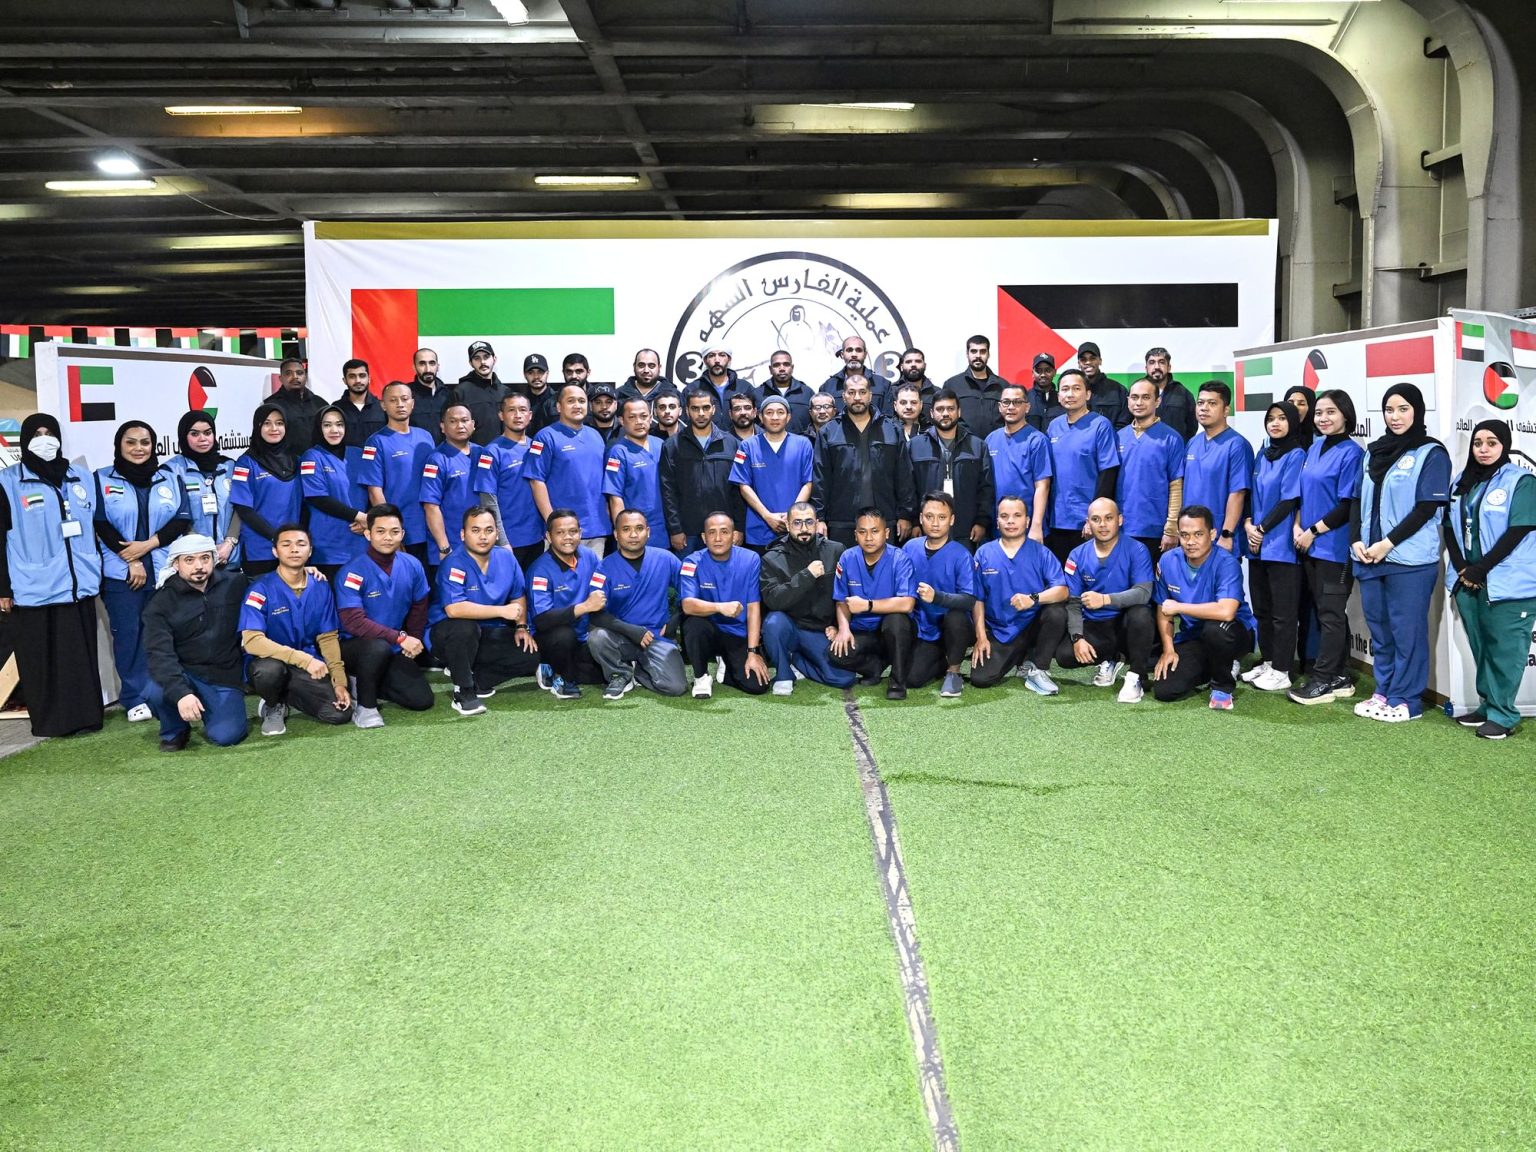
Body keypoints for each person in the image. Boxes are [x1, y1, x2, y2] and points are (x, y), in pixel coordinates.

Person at [1351, 383, 1451, 723]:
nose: (1395, 417)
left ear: (1417, 411)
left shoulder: (1431, 453)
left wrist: (1387, 543)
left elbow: (1425, 509)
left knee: (1407, 633)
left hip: (1409, 561)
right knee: (1380, 632)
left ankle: (1406, 700)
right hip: (1368, 558)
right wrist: (1356, 540)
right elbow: (1357, 500)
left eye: (1403, 409)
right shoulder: (1373, 452)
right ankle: (1385, 691)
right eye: (1389, 410)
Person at [0, 414, 105, 737]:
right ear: (25, 440)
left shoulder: (81, 476)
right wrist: (3, 588)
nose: (44, 440)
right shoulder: (7, 482)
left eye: (50, 433)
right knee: (41, 660)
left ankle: (87, 717)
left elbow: (95, 524)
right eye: (37, 434)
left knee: (79, 658)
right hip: (33, 587)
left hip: (78, 584)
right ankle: (51, 723)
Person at [1444, 420, 1536, 739]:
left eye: (1492, 443)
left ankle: (1504, 714)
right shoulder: (1462, 481)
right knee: (1482, 647)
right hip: (1468, 581)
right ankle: (1488, 706)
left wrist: (1480, 568)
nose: (1483, 449)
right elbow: (1448, 526)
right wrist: (1462, 568)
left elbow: (1519, 530)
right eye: (1478, 443)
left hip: (1508, 584)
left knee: (1505, 652)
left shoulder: (1521, 481)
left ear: (1505, 445)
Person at [95, 419, 191, 722]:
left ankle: (170, 690)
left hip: (163, 570)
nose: (139, 448)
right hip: (122, 574)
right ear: (119, 445)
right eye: (131, 442)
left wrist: (147, 546)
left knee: (166, 633)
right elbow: (100, 524)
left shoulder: (170, 477)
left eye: (145, 442)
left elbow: (181, 519)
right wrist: (132, 560)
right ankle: (134, 696)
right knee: (130, 634)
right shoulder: (101, 479)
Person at [1288, 389, 1364, 705]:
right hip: (1309, 546)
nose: (1323, 418)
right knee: (1324, 613)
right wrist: (1298, 526)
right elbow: (1304, 495)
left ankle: (1323, 681)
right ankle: (1340, 674)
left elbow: (1347, 505)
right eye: (1319, 413)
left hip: (1334, 550)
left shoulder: (1352, 453)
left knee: (1331, 615)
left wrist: (1312, 531)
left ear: (1346, 415)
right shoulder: (1315, 446)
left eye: (1331, 412)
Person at [240, 524, 352, 735]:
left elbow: (328, 637)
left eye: (301, 544)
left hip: (306, 665)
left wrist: (339, 681)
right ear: (275, 551)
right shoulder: (259, 589)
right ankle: (272, 703)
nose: (294, 549)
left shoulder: (321, 585)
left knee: (338, 714)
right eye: (286, 544)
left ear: (310, 551)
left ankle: (286, 694)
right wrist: (304, 660)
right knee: (269, 672)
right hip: (270, 663)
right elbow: (252, 641)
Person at [142, 534, 249, 750]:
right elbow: (159, 653)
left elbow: (271, 587)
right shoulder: (160, 603)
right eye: (189, 560)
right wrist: (181, 693)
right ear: (176, 564)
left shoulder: (236, 583)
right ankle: (175, 730)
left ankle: (211, 710)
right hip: (185, 672)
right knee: (154, 690)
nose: (199, 566)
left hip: (224, 675)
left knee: (226, 736)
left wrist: (304, 573)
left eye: (205, 558)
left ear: (214, 559)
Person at [431, 506, 542, 714]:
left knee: (531, 655)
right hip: (449, 635)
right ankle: (463, 691)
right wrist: (501, 611)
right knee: (464, 628)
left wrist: (521, 627)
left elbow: (518, 595)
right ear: (463, 534)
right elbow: (454, 609)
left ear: (497, 534)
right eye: (475, 530)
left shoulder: (506, 558)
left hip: (489, 632)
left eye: (489, 530)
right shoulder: (454, 563)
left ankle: (477, 680)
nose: (483, 536)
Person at [336, 504, 433, 727]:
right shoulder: (352, 572)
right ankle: (366, 707)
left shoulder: (412, 565)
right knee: (376, 647)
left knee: (421, 700)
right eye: (380, 531)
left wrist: (413, 641)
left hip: (393, 646)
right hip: (354, 646)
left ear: (402, 534)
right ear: (368, 534)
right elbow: (354, 623)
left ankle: (360, 681)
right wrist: (400, 638)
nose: (388, 537)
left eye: (394, 531)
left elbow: (419, 607)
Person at [1151, 505, 1256, 709]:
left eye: (1198, 534)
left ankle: (1222, 686)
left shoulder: (1226, 563)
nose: (1190, 541)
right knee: (1165, 690)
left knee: (1215, 629)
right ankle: (1216, 664)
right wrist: (1168, 649)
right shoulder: (1168, 560)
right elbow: (1163, 609)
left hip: (1234, 632)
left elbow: (1226, 612)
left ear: (1213, 534)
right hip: (1194, 636)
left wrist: (1180, 607)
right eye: (1184, 535)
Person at [1053, 498, 1157, 703]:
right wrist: (1077, 638)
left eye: (1109, 518)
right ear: (1088, 523)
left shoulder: (1137, 549)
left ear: (1120, 520)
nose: (1102, 524)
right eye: (1096, 519)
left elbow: (1143, 593)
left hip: (1126, 624)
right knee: (1064, 656)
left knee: (1141, 614)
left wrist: (1105, 599)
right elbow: (1073, 603)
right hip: (1096, 624)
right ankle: (1112, 658)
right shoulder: (1076, 555)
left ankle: (1136, 676)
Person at [969, 495, 1068, 692]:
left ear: (1027, 521)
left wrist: (1033, 599)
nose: (1010, 521)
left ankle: (1038, 668)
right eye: (1004, 516)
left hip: (1033, 626)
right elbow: (977, 598)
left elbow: (1063, 591)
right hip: (1000, 630)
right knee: (980, 679)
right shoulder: (983, 553)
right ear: (997, 521)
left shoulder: (1041, 553)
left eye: (1017, 515)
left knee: (1056, 613)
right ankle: (1020, 658)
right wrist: (981, 637)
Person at [587, 508, 688, 699]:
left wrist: (675, 620)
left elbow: (691, 593)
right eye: (626, 529)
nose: (633, 535)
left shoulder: (666, 559)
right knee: (597, 637)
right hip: (621, 636)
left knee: (676, 688)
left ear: (648, 532)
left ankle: (640, 671)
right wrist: (631, 630)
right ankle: (619, 674)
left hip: (657, 637)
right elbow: (595, 613)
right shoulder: (604, 567)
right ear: (616, 534)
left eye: (639, 528)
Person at [759, 500, 858, 694]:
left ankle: (796, 660)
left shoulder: (836, 550)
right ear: (788, 525)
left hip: (820, 630)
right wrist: (807, 575)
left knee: (844, 678)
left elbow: (848, 594)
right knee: (773, 622)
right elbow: (773, 600)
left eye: (809, 522)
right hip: (789, 626)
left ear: (817, 523)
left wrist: (838, 626)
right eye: (797, 523)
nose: (804, 528)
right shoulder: (772, 558)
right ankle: (784, 674)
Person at [1241, 401, 1305, 692]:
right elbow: (1250, 495)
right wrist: (1248, 524)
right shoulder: (1262, 453)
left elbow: (1289, 500)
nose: (1275, 424)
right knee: (1262, 609)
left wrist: (1262, 529)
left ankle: (1282, 669)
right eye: (1270, 419)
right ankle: (1268, 661)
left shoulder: (1296, 454)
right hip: (1256, 545)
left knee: (1283, 613)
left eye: (1282, 418)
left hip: (1280, 547)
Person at [813, 373, 915, 547]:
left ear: (870, 395)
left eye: (862, 392)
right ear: (843, 396)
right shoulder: (829, 432)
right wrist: (819, 518)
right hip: (841, 522)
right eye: (851, 392)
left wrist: (905, 515)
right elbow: (820, 478)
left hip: (885, 520)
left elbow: (904, 475)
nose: (857, 397)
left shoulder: (892, 429)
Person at [679, 511, 770, 697]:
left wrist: (753, 652)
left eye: (724, 532)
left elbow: (753, 608)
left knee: (757, 686)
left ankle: (728, 666)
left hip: (737, 633)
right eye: (712, 532)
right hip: (708, 631)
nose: (718, 538)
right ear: (704, 537)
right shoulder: (691, 561)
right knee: (693, 624)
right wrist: (720, 607)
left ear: (734, 536)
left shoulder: (751, 559)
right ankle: (701, 677)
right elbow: (687, 605)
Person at [829, 507, 917, 699]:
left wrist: (868, 605)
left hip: (892, 629)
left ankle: (897, 682)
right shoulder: (847, 558)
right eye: (862, 532)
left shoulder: (900, 559)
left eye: (875, 531)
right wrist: (843, 628)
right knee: (837, 653)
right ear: (855, 535)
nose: (868, 538)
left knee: (896, 621)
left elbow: (907, 604)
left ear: (886, 533)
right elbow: (841, 600)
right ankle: (874, 667)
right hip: (862, 630)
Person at [902, 492, 978, 698]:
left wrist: (937, 597)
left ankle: (954, 672)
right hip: (923, 628)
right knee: (912, 679)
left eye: (942, 517)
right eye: (929, 517)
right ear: (921, 518)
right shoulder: (909, 548)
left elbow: (969, 600)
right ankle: (939, 661)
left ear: (951, 520)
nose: (935, 523)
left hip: (953, 628)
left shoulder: (962, 554)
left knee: (956, 616)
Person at [527, 509, 607, 699]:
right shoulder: (540, 570)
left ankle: (556, 668)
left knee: (602, 675)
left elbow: (603, 590)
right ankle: (563, 679)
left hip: (583, 635)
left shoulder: (590, 557)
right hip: (551, 636)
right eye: (560, 532)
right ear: (549, 536)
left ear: (580, 533)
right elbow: (542, 620)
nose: (567, 537)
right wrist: (585, 607)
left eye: (573, 531)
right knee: (563, 635)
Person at [526, 381, 610, 556]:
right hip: (562, 530)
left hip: (596, 528)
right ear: (559, 407)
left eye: (581, 401)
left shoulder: (596, 436)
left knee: (593, 574)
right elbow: (536, 481)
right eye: (571, 401)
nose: (577, 405)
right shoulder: (545, 437)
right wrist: (552, 522)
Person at [359, 382, 437, 568]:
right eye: (393, 400)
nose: (400, 404)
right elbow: (374, 491)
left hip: (432, 527)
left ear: (413, 403)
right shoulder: (375, 442)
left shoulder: (426, 437)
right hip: (402, 529)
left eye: (404, 399)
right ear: (383, 405)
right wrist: (391, 530)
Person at [1045, 370, 1120, 562]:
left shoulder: (1100, 425)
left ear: (1087, 394)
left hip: (1086, 522)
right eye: (1065, 389)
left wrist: (1095, 517)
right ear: (1058, 396)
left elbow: (1108, 472)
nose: (1070, 394)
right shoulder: (1054, 427)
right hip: (1057, 519)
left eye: (1076, 389)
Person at [659, 387, 744, 556]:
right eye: (695, 408)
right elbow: (668, 491)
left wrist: (739, 528)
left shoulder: (733, 444)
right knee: (687, 572)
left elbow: (739, 490)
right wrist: (675, 529)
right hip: (687, 532)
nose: (701, 413)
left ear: (713, 409)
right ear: (687, 411)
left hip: (723, 530)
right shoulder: (672, 445)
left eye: (705, 408)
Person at [908, 388, 994, 548]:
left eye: (950, 408)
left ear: (959, 412)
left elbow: (986, 488)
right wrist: (914, 522)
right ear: (932, 413)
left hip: (967, 530)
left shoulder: (978, 446)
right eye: (940, 409)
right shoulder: (915, 446)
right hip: (927, 529)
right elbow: (908, 488)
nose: (945, 413)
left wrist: (982, 521)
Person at [729, 394, 813, 552]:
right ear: (760, 417)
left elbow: (808, 483)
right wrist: (767, 516)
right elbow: (743, 486)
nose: (775, 417)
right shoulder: (747, 446)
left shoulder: (803, 444)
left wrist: (792, 516)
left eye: (780, 412)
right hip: (759, 529)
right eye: (769, 412)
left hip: (795, 528)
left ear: (788, 417)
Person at [1116, 377, 1185, 562]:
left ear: (1157, 401)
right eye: (1134, 397)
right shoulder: (1118, 437)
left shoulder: (1171, 438)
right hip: (1121, 528)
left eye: (1146, 397)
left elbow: (1176, 485)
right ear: (1128, 401)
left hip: (1156, 530)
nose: (1139, 402)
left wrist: (1171, 528)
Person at [422, 401, 496, 571]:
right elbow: (430, 506)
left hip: (484, 542)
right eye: (453, 421)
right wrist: (444, 547)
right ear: (443, 427)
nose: (460, 425)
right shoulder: (436, 459)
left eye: (464, 420)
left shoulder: (483, 454)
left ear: (473, 424)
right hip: (452, 545)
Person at [230, 403, 303, 576]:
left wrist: (293, 539)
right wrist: (276, 537)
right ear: (258, 427)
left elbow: (306, 504)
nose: (274, 428)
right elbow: (244, 509)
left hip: (293, 548)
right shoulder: (245, 463)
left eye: (279, 423)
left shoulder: (297, 461)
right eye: (267, 423)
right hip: (260, 550)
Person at [1182, 380, 1253, 555]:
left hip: (1219, 536)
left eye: (1212, 403)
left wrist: (1227, 534)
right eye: (1200, 403)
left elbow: (1238, 493)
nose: (1204, 408)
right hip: (1190, 536)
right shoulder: (1192, 443)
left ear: (1226, 410)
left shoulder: (1237, 445)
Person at [166, 409, 241, 569]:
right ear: (183, 437)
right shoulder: (172, 470)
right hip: (193, 562)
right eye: (194, 434)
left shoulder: (229, 466)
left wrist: (229, 544)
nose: (203, 439)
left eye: (207, 433)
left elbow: (240, 508)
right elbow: (174, 516)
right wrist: (203, 551)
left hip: (228, 557)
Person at [300, 404, 368, 578]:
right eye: (327, 425)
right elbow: (317, 498)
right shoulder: (311, 457)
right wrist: (361, 517)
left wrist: (370, 520)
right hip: (328, 547)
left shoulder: (358, 454)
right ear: (318, 428)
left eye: (339, 424)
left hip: (361, 542)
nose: (334, 430)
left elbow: (373, 490)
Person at [482, 392, 548, 570]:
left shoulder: (537, 447)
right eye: (511, 410)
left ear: (530, 415)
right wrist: (502, 541)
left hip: (539, 538)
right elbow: (488, 500)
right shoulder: (491, 452)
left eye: (522, 410)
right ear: (501, 415)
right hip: (509, 541)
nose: (518, 415)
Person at [985, 382, 1052, 544]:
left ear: (1027, 407)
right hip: (997, 525)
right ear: (1000, 407)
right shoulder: (990, 440)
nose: (1011, 407)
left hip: (1027, 525)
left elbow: (1042, 486)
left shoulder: (1037, 440)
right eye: (1006, 402)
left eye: (1017, 402)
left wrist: (1036, 525)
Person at [604, 397, 667, 544]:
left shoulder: (661, 444)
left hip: (664, 529)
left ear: (651, 418)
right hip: (635, 531)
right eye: (632, 417)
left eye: (643, 416)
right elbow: (615, 497)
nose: (639, 421)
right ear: (621, 420)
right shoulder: (617, 453)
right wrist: (623, 532)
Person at [944, 334, 1008, 438]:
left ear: (988, 354)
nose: (978, 356)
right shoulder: (952, 385)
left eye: (982, 351)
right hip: (962, 444)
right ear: (967, 354)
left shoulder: (1003, 386)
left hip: (995, 444)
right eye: (974, 351)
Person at [451, 339, 508, 446]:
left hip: (502, 452)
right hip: (473, 452)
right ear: (471, 363)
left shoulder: (505, 392)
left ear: (494, 359)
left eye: (486, 357)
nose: (483, 362)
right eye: (477, 358)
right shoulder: (460, 392)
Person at [267, 357, 328, 453]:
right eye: (288, 373)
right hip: (286, 461)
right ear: (280, 379)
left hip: (318, 459)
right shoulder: (271, 405)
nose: (295, 377)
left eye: (299, 373)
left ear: (305, 377)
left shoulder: (320, 403)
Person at [824, 335, 889, 416]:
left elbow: (888, 419)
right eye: (849, 350)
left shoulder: (883, 385)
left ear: (865, 354)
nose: (854, 354)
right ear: (842, 354)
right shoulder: (828, 387)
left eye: (858, 350)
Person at [753, 351, 813, 435]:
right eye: (776, 365)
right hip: (767, 442)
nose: (782, 368)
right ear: (770, 369)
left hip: (800, 442)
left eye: (786, 364)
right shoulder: (758, 394)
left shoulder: (806, 393)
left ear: (792, 367)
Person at [699, 343, 754, 430]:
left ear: (729, 359)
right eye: (712, 355)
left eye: (722, 355)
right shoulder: (693, 389)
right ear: (705, 361)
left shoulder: (745, 387)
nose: (717, 360)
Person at [1077, 341, 1130, 429]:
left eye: (1092, 358)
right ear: (1079, 364)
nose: (1088, 362)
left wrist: (1109, 436)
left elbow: (1124, 423)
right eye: (1083, 359)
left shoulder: (1118, 390)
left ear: (1100, 361)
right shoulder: (1073, 392)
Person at [1145, 347, 1195, 440]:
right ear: (1146, 368)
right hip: (1144, 447)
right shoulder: (1137, 392)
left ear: (1169, 367)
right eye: (1152, 362)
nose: (1156, 367)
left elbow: (1192, 427)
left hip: (1175, 447)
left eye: (1161, 362)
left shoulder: (1183, 394)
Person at [336, 358, 386, 448]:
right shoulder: (336, 408)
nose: (358, 380)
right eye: (352, 376)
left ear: (369, 378)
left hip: (377, 457)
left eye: (362, 375)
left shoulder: (382, 407)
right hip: (346, 457)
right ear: (344, 380)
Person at [404, 347, 449, 438]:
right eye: (422, 364)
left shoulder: (449, 395)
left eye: (432, 363)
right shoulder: (405, 394)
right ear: (414, 367)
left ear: (437, 367)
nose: (428, 369)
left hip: (444, 447)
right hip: (414, 447)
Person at [894, 348, 939, 418]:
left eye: (918, 361)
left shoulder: (936, 393)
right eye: (908, 362)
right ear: (901, 367)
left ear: (925, 366)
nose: (913, 365)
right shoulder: (891, 391)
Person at [1025, 353, 1063, 434]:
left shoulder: (1062, 398)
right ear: (1033, 373)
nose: (1043, 375)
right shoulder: (1025, 398)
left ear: (1054, 372)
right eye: (1039, 371)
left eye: (1047, 370)